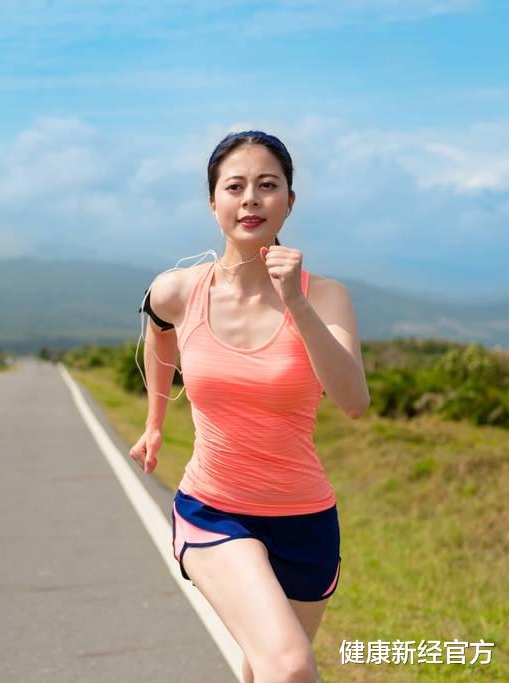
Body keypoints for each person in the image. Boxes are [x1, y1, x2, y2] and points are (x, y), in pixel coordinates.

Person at [129, 130, 371, 683]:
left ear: (290, 199)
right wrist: (154, 422)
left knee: (263, 670)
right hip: (214, 511)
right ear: (213, 202)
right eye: (234, 187)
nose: (251, 199)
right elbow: (158, 328)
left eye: (268, 185)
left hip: (307, 522)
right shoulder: (180, 290)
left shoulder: (326, 295)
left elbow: (354, 401)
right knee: (290, 668)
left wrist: (297, 305)